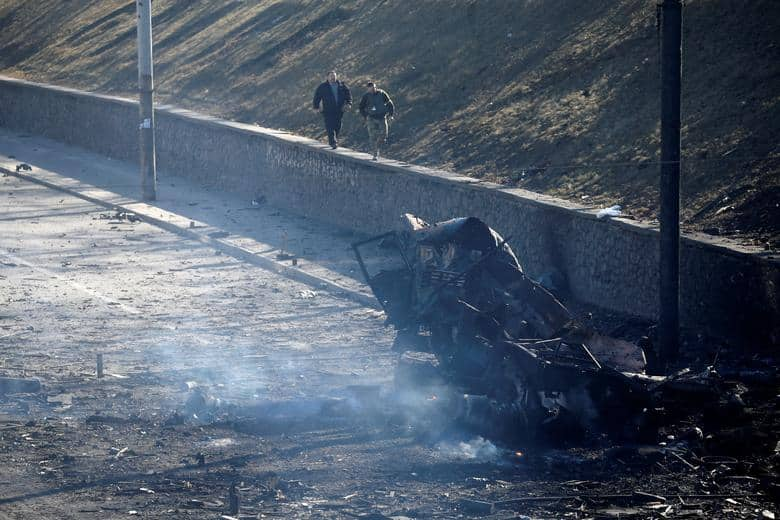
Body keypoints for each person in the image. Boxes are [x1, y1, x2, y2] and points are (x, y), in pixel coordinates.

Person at [312, 71, 352, 149]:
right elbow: (317, 97)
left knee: (338, 125)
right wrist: (316, 107)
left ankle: (335, 138)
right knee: (330, 126)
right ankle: (333, 142)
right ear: (327, 77)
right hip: (327, 110)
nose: (333, 78)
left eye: (334, 76)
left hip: (339, 110)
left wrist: (349, 103)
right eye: (331, 76)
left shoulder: (342, 85)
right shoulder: (323, 87)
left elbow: (348, 95)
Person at [358, 81, 394, 160]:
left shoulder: (382, 94)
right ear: (367, 89)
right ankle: (375, 153)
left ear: (376, 87)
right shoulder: (366, 96)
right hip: (371, 118)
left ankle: (378, 145)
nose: (372, 90)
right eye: (370, 89)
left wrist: (391, 115)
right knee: (372, 136)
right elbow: (361, 107)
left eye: (374, 88)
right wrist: (365, 116)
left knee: (384, 135)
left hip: (382, 117)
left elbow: (390, 104)